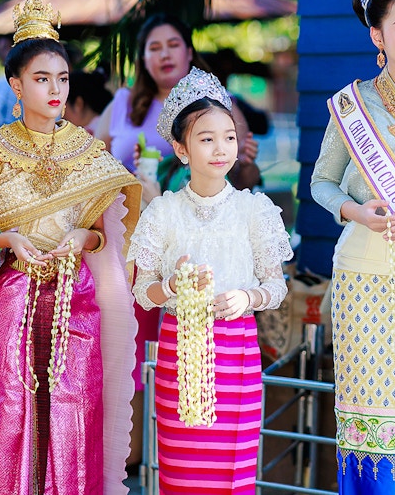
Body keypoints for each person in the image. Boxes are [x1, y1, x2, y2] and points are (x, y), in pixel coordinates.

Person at [0, 0, 141, 495]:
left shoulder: (87, 148)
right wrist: (5, 239)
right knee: (12, 410)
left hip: (74, 294)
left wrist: (88, 237)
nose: (55, 89)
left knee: (73, 409)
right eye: (41, 78)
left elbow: (110, 229)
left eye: (62, 78)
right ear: (15, 84)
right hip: (12, 292)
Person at [95, 12, 261, 467]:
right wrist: (116, 168)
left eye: (173, 44)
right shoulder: (125, 102)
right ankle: (124, 456)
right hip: (129, 243)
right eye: (154, 47)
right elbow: (89, 160)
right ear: (143, 58)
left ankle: (170, 449)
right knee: (124, 351)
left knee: (174, 348)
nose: (164, 54)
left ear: (188, 51)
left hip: (194, 243)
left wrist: (243, 157)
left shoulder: (216, 102)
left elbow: (245, 172)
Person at [127, 67, 293, 494]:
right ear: (181, 149)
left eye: (229, 137)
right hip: (178, 353)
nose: (221, 148)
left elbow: (277, 288)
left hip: (236, 354)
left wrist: (246, 295)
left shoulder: (255, 211)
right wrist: (171, 288)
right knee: (182, 474)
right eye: (206, 138)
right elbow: (142, 292)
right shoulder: (162, 212)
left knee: (233, 475)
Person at [311, 0, 395, 495]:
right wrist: (355, 211)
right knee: (375, 426)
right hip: (365, 281)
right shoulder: (352, 103)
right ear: (377, 33)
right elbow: (322, 183)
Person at [64, 66, 113, 134]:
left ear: (78, 104)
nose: (62, 117)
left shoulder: (91, 135)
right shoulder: (109, 125)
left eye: (63, 110)